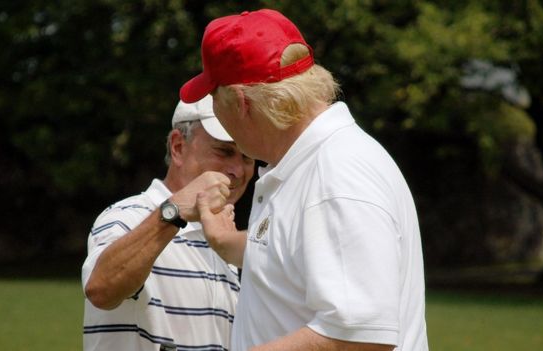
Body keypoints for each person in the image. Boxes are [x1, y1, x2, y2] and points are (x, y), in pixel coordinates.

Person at [180, 8, 429, 351]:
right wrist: (225, 242)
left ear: (240, 102)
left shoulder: (335, 175)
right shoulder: (306, 164)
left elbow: (358, 337)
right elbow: (296, 264)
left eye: (212, 97)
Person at [81, 95, 255, 351]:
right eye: (224, 151)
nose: (238, 171)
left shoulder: (225, 242)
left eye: (248, 157)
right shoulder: (128, 214)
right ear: (178, 147)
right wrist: (173, 213)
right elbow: (101, 289)